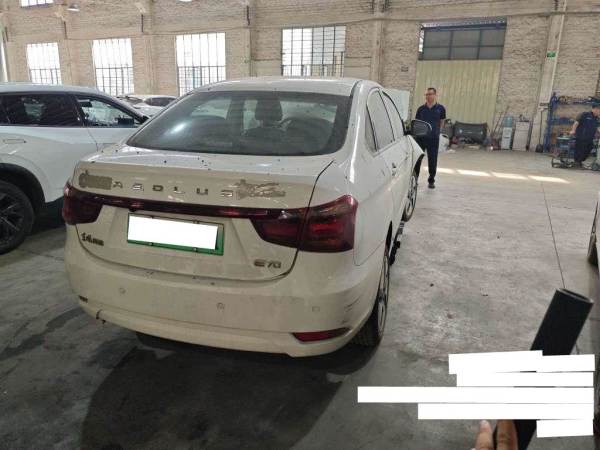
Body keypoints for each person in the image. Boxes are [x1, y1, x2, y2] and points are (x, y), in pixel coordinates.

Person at [415, 87, 446, 188]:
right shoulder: (421, 109)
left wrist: (438, 131)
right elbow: (417, 122)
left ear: (435, 95)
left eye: (430, 94)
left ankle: (431, 180)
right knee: (418, 158)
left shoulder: (440, 108)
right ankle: (415, 179)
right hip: (421, 138)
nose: (428, 96)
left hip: (433, 139)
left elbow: (442, 121)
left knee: (433, 159)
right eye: (427, 94)